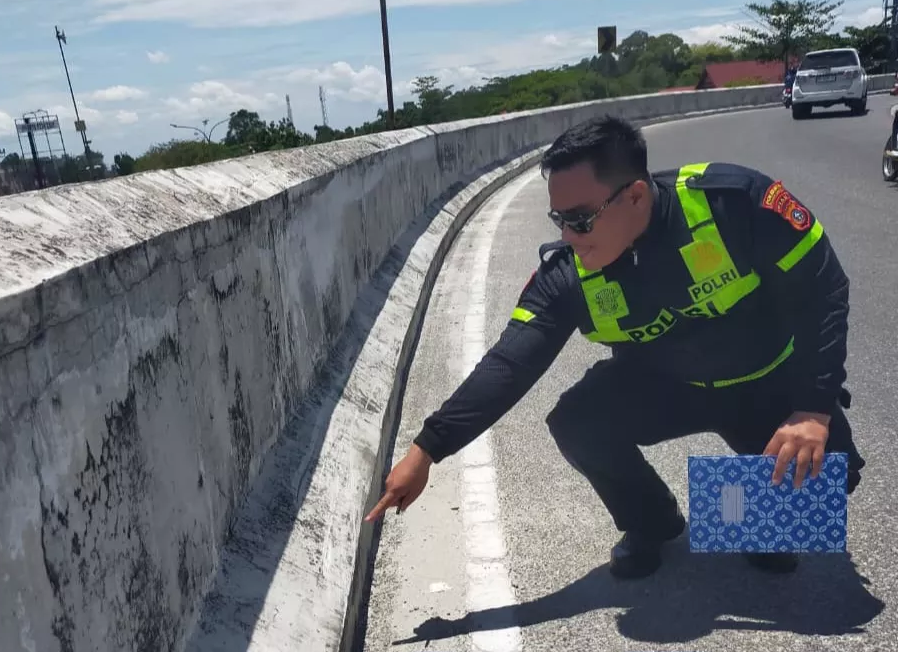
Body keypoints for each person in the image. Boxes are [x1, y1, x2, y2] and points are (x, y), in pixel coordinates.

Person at [365, 114, 865, 580]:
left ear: (636, 197)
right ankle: (652, 521)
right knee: (577, 420)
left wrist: (812, 409)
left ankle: (756, 514)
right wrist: (428, 448)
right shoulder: (568, 275)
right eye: (558, 219)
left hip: (766, 384)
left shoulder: (735, 205)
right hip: (672, 386)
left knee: (822, 490)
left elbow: (824, 291)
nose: (569, 235)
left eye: (581, 219)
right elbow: (510, 364)